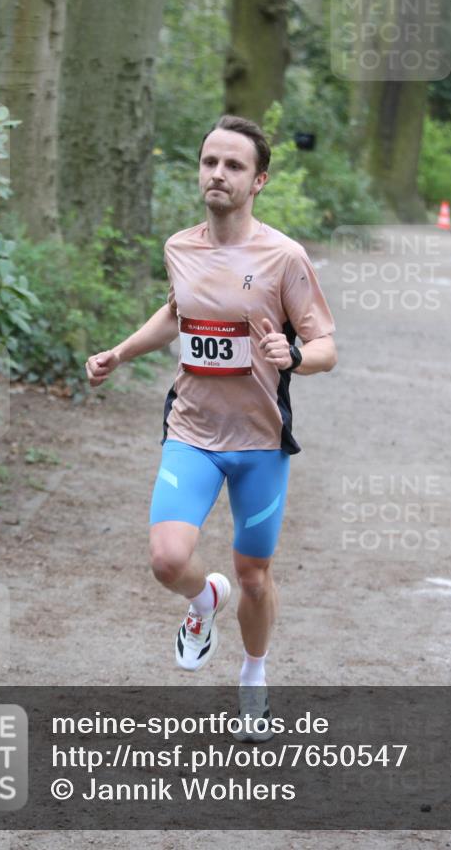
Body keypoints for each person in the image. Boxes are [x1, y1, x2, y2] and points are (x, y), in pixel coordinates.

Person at [86, 115, 337, 740]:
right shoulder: (180, 247)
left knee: (254, 576)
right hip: (192, 431)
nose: (217, 174)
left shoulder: (284, 257)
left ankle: (254, 676)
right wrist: (120, 352)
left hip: (259, 442)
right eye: (209, 162)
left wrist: (296, 358)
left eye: (233, 166)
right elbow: (176, 314)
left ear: (259, 181)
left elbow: (326, 343)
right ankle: (204, 601)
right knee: (169, 562)